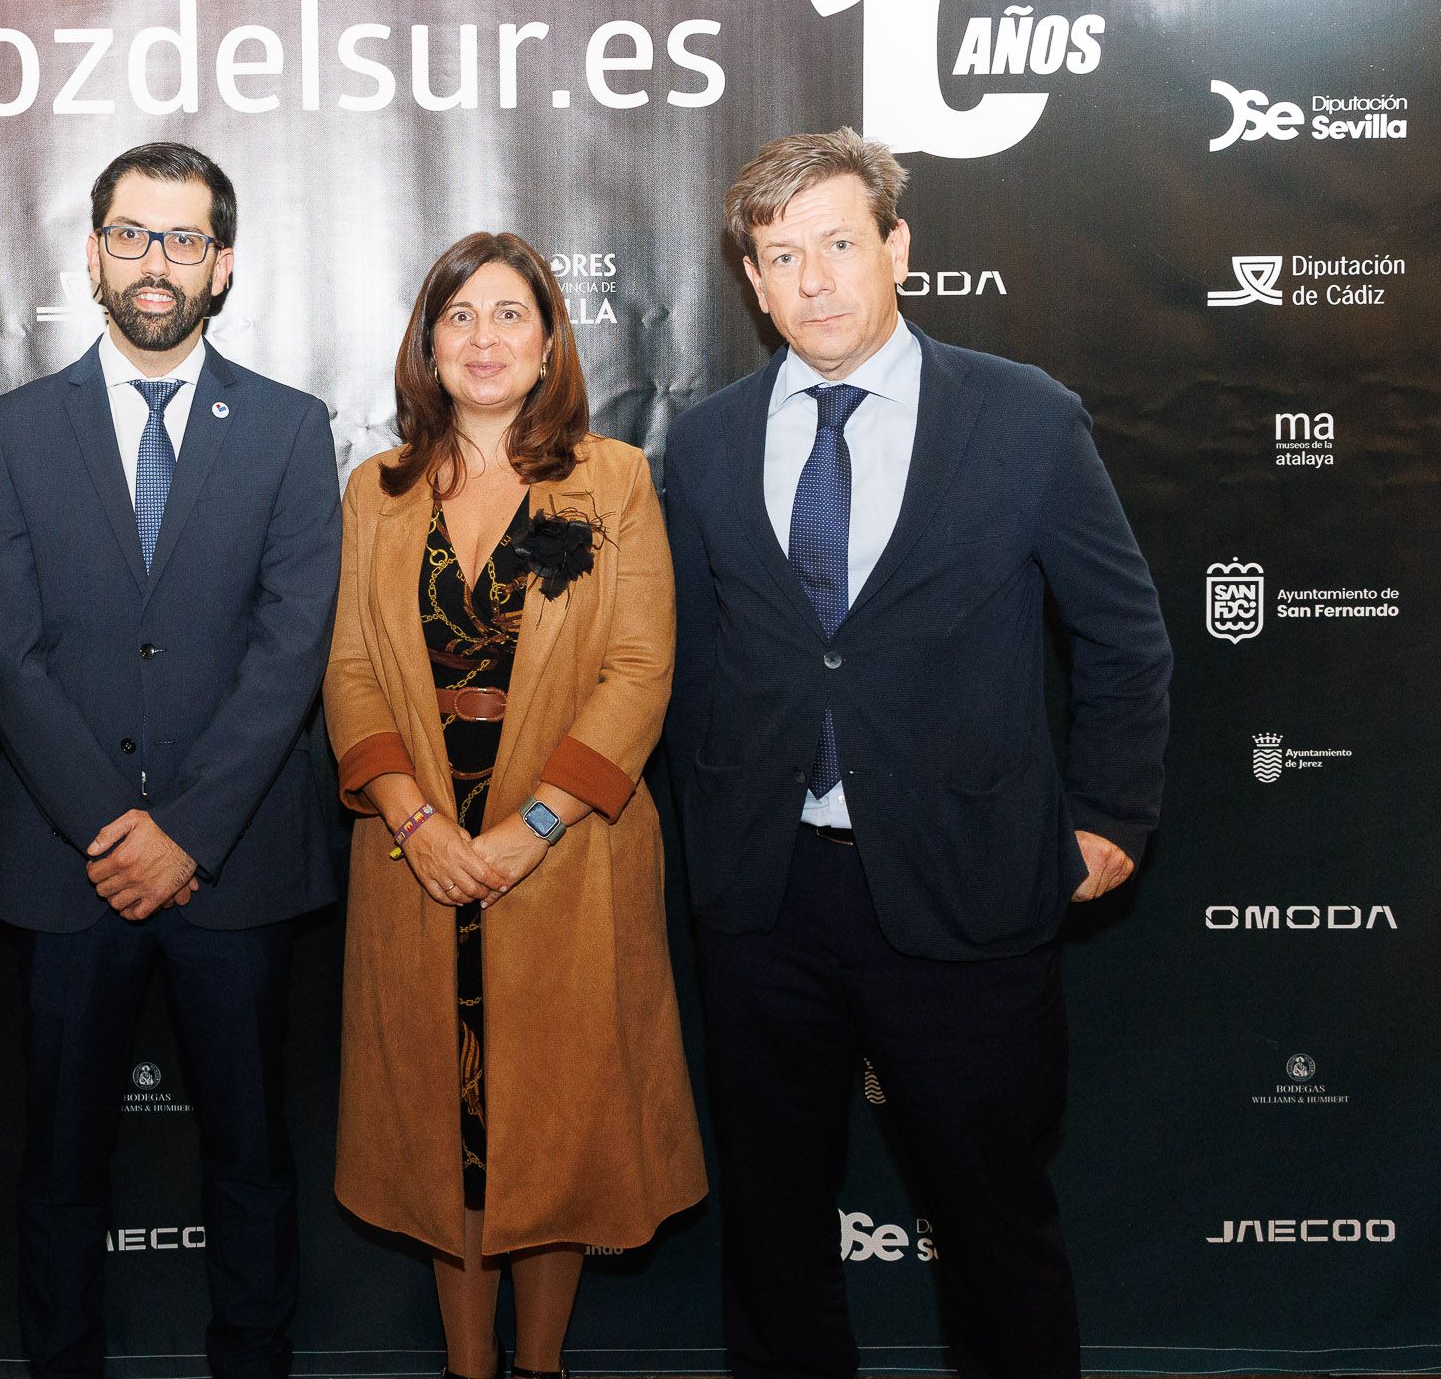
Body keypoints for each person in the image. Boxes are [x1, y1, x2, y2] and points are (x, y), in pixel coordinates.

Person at [660, 129, 1172, 1379]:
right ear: (755, 282)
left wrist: (1109, 817)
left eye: (840, 244)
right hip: (765, 896)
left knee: (993, 1220)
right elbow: (692, 660)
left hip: (967, 879)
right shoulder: (708, 438)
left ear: (898, 249)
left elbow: (1122, 634)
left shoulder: (1024, 418)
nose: (816, 279)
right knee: (774, 1230)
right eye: (784, 257)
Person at [0, 141, 342, 1379]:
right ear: (91, 253)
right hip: (64, 866)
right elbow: (8, 657)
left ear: (222, 267)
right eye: (132, 235)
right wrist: (110, 829)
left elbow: (291, 653)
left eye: (184, 240)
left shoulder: (292, 432)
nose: (156, 263)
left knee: (248, 1160)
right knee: (61, 1165)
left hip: (232, 868)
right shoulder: (11, 432)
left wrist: (187, 831)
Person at [325, 232, 706, 1379]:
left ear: (548, 345)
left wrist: (526, 832)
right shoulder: (375, 492)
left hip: (567, 856)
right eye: (459, 317)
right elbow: (348, 671)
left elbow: (640, 671)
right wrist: (418, 824)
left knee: (553, 1129)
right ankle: (467, 1369)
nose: (482, 339)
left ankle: (539, 1367)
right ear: (427, 345)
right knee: (452, 1136)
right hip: (417, 860)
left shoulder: (615, 478)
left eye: (508, 317)